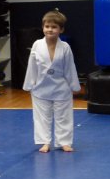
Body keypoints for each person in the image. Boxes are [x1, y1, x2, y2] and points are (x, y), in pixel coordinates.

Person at [23, 9, 80, 153]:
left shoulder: (65, 47)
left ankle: (64, 142)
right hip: (41, 86)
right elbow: (32, 65)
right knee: (42, 117)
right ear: (43, 28)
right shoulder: (37, 45)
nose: (50, 30)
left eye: (54, 27)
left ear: (61, 29)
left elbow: (70, 67)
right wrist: (30, 83)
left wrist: (74, 85)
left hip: (61, 87)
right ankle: (45, 142)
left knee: (64, 116)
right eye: (47, 26)